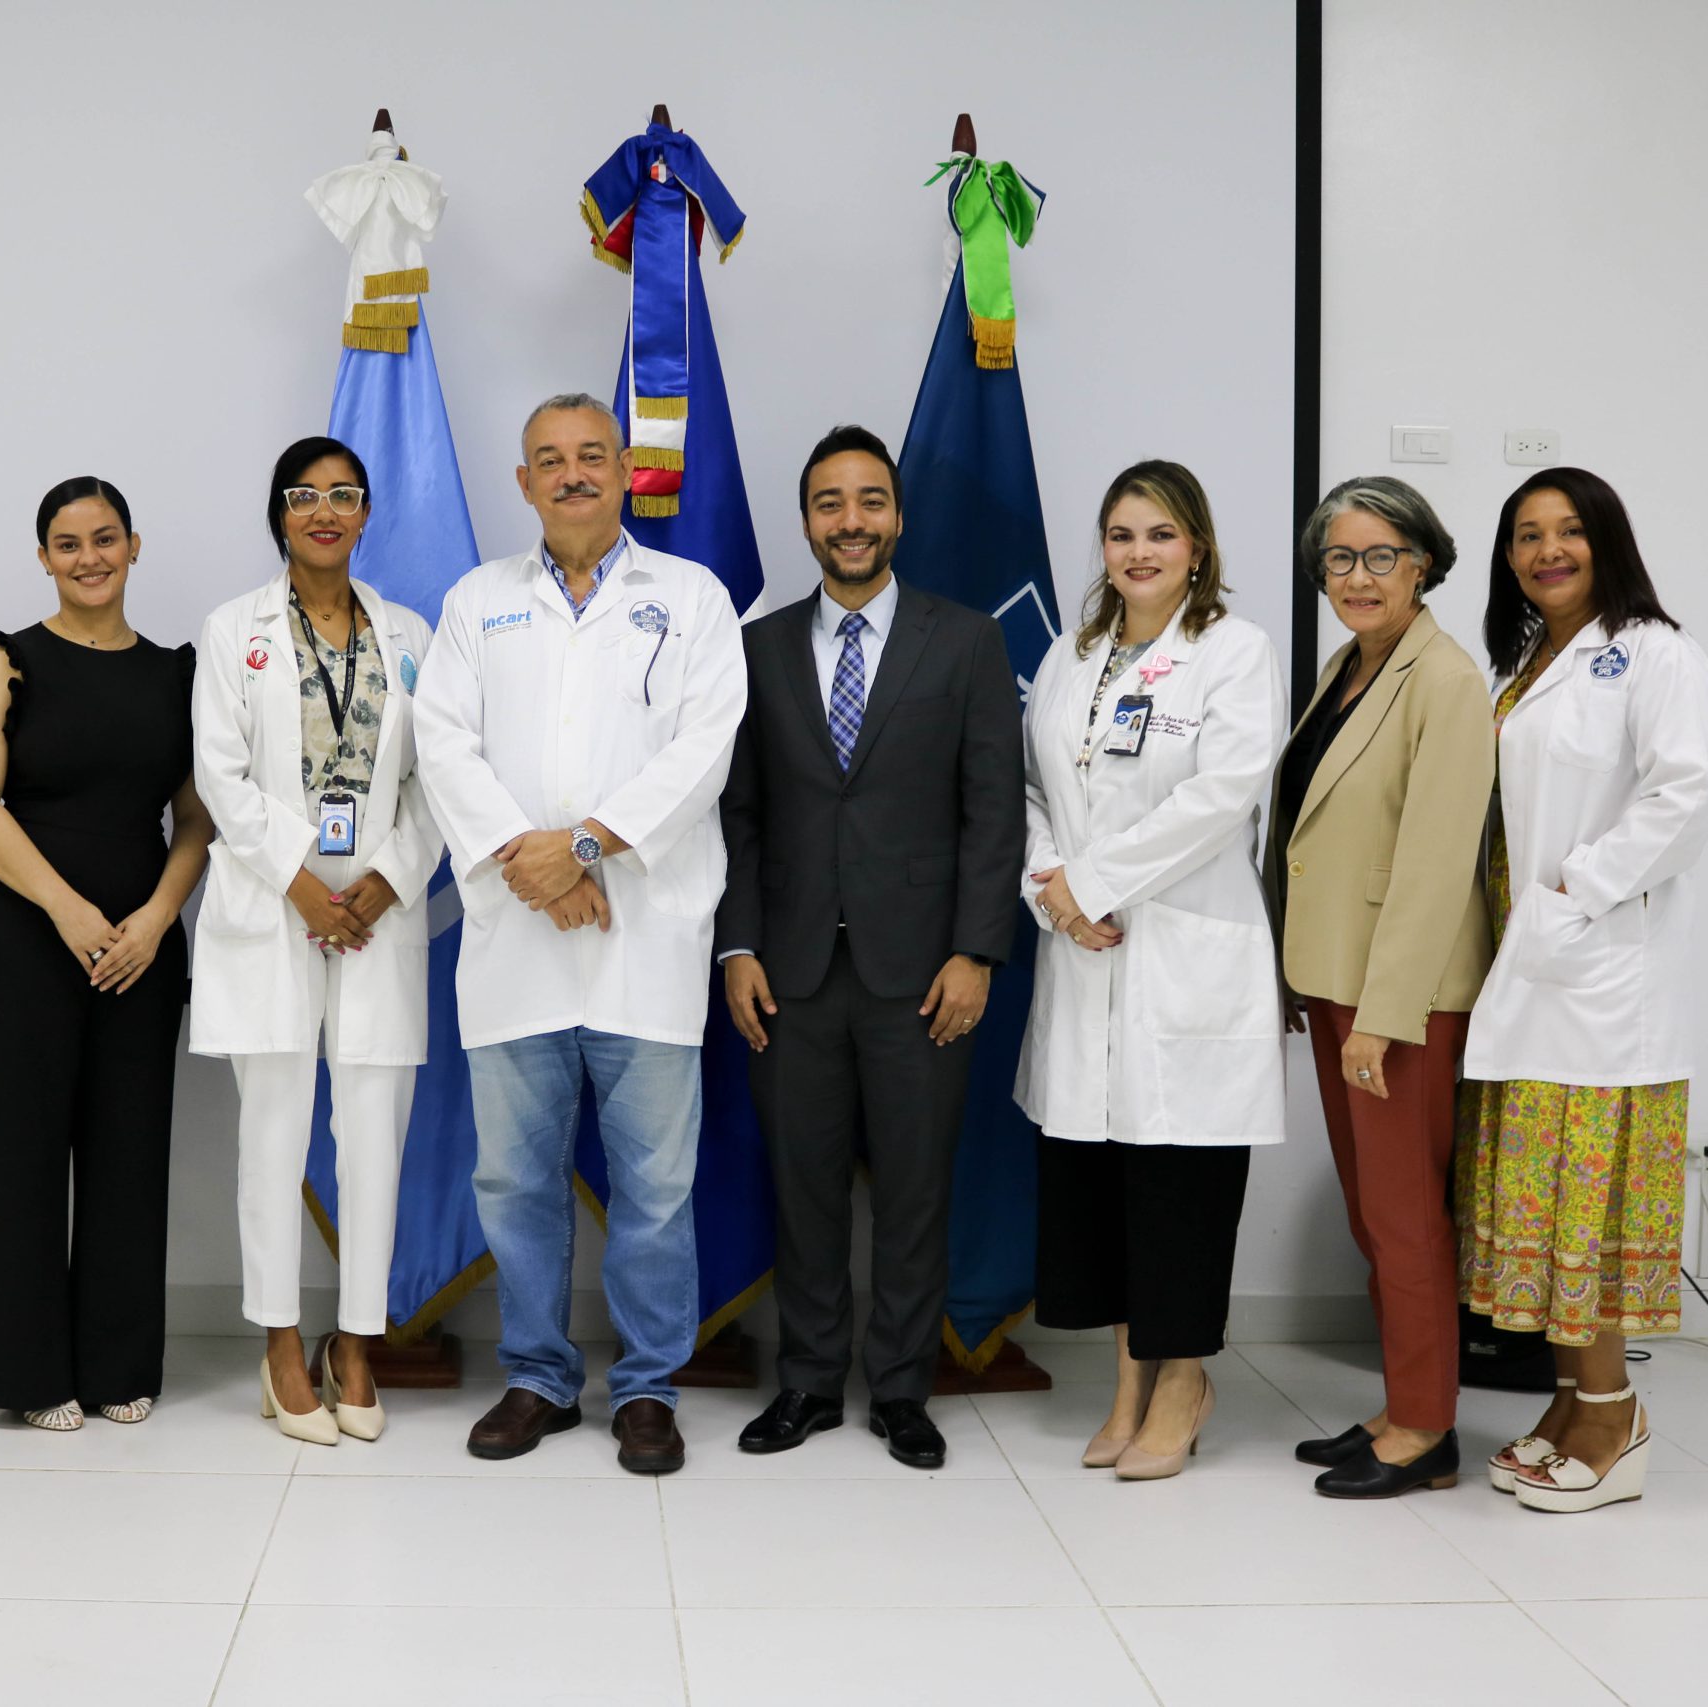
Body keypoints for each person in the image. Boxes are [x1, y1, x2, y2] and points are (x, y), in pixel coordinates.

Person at [413, 393, 748, 1475]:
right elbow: (445, 746)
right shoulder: (477, 601)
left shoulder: (690, 599)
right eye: (547, 461)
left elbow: (705, 749)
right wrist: (537, 862)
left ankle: (646, 1388)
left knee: (655, 1185)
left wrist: (590, 846)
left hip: (642, 939)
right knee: (513, 1180)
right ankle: (537, 1377)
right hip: (517, 939)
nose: (569, 475)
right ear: (523, 484)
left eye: (589, 456)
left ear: (623, 471)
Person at [718, 425, 1021, 1470]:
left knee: (913, 1187)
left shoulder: (967, 640)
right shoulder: (754, 650)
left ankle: (900, 1389)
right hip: (789, 974)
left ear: (897, 514)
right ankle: (806, 1381)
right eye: (829, 503)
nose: (851, 521)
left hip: (924, 975)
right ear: (805, 520)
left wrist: (976, 951)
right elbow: (741, 817)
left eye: (870, 501)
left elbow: (993, 812)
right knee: (799, 1187)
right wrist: (738, 949)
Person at [1014, 459, 1287, 1480]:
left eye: (1160, 535)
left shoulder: (1232, 651)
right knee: (1101, 1180)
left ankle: (1183, 1382)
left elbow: (1223, 795)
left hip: (1180, 951)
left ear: (1197, 549)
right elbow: (1030, 787)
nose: (1138, 552)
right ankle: (1128, 1379)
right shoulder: (1070, 654)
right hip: (1084, 952)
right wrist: (1052, 882)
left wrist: (1095, 881)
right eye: (1122, 533)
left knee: (1177, 1181)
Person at [1458, 468, 1708, 1514]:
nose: (1546, 551)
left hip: (1600, 968)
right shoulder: (1527, 661)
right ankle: (1570, 1401)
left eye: (1567, 532)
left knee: (1582, 1202)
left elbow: (1685, 794)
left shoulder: (1657, 653)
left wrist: (1575, 891)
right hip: (1534, 967)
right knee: (1541, 1194)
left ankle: (1611, 1414)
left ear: (1607, 541)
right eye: (1526, 535)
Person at [191, 437, 442, 1445]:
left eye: (344, 495)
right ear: (279, 513)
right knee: (274, 1135)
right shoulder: (230, 630)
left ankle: (355, 1341)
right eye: (305, 496)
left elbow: (438, 782)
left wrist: (380, 885)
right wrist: (303, 885)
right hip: (274, 910)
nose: (324, 511)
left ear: (367, 512)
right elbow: (221, 775)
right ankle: (282, 1342)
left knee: (374, 1135)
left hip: (378, 918)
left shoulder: (411, 633)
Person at [0, 476, 212, 1431]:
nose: (89, 557)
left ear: (134, 547)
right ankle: (29, 1374)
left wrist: (155, 916)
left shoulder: (177, 671)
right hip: (22, 935)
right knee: (21, 1155)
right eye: (68, 543)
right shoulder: (5, 659)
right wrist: (67, 909)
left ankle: (115, 1362)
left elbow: (194, 816)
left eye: (106, 539)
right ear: (43, 557)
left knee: (129, 1151)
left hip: (140, 943)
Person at [1266, 477, 1493, 1498]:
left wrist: (1385, 1017)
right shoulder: (1349, 668)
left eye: (1380, 557)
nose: (1356, 578)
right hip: (1334, 983)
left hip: (1397, 998)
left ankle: (1426, 1430)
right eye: (1339, 560)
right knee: (1373, 1211)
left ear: (1424, 564)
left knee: (1404, 1217)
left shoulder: (1444, 680)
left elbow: (1437, 865)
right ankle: (1401, 1403)